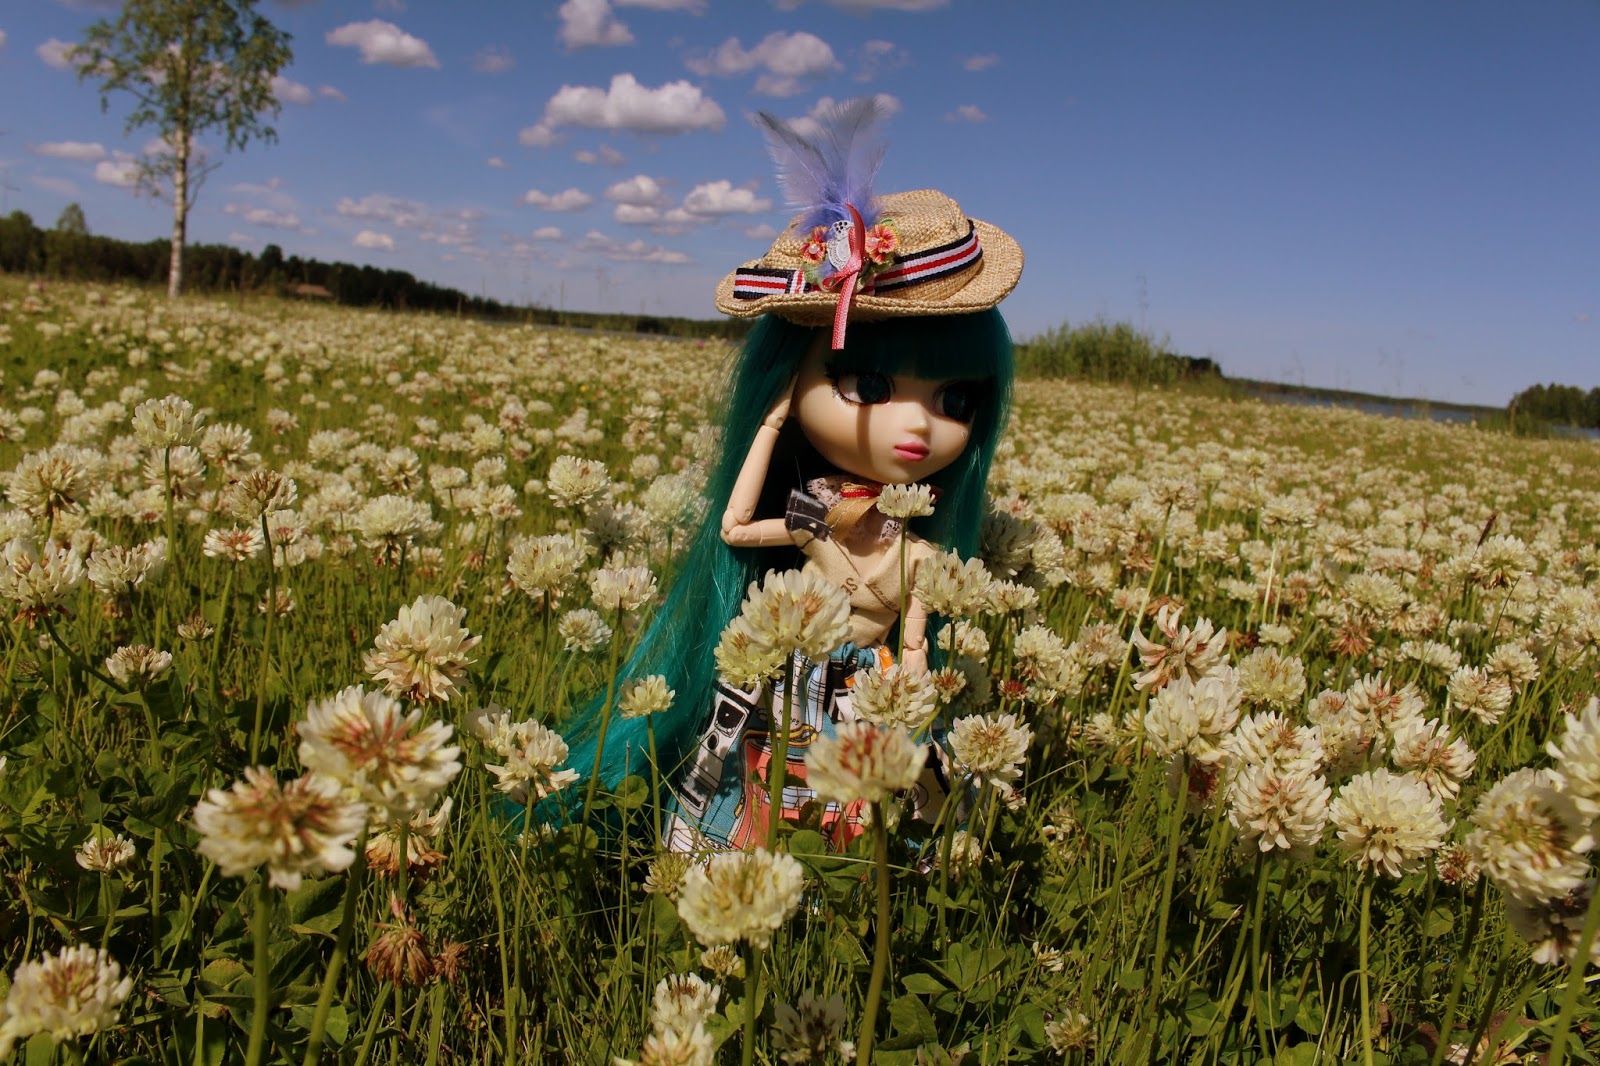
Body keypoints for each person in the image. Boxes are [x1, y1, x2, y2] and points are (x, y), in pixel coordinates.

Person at [560, 102, 1023, 851]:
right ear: (786, 377)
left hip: (869, 697)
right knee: (757, 798)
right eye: (869, 386)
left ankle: (847, 887)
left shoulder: (925, 557)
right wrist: (771, 425)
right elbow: (737, 530)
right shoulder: (816, 515)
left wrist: (918, 715)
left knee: (854, 828)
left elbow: (913, 651)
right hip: (786, 677)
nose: (916, 427)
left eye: (957, 401)